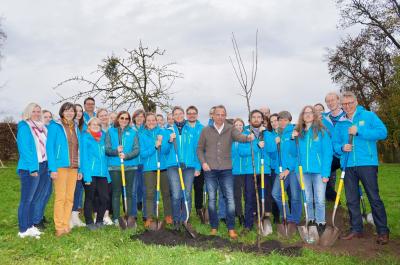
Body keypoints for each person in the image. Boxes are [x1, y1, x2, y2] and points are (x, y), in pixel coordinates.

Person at [333, 91, 389, 244]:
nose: (347, 106)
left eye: (350, 103)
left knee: (374, 197)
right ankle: (356, 229)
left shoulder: (368, 116)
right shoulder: (340, 123)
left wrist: (359, 131)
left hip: (367, 163)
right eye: (344, 104)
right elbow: (335, 145)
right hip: (348, 164)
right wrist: (341, 148)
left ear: (356, 102)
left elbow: (383, 132)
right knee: (351, 199)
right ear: (341, 105)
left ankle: (382, 231)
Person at [196, 105, 254, 239]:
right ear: (213, 116)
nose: (220, 117)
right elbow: (199, 149)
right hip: (210, 169)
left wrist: (249, 137)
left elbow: (240, 137)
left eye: (223, 114)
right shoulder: (205, 130)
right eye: (218, 114)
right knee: (212, 199)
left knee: (230, 199)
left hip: (226, 170)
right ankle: (214, 226)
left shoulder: (230, 129)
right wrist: (203, 163)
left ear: (225, 116)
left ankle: (231, 227)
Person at [292, 106, 333, 235]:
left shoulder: (321, 131)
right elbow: (293, 153)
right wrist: (293, 139)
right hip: (302, 171)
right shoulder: (298, 132)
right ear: (302, 116)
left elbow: (327, 153)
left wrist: (326, 173)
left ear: (314, 115)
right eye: (305, 113)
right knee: (307, 198)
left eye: (310, 113)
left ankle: (321, 221)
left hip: (319, 171)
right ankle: (311, 220)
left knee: (320, 199)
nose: (308, 115)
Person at [47, 102, 82, 237]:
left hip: (73, 167)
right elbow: (50, 147)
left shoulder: (76, 128)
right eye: (66, 111)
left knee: (70, 198)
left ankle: (66, 224)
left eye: (72, 111)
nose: (69, 113)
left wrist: (79, 169)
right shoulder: (55, 126)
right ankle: (59, 226)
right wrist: (53, 168)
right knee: (60, 198)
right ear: (62, 112)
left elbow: (78, 149)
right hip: (60, 167)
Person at [238, 110, 276, 233]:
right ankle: (248, 225)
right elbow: (242, 152)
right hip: (250, 170)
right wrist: (256, 145)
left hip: (264, 170)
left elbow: (272, 149)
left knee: (264, 196)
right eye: (253, 117)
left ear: (262, 120)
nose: (256, 119)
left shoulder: (268, 133)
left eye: (258, 117)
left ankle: (263, 219)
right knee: (249, 198)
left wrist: (264, 134)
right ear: (249, 120)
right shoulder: (245, 134)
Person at [16, 103, 48, 238]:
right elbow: (25, 149)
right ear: (29, 112)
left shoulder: (42, 127)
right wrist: (32, 167)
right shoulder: (24, 126)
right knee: (26, 199)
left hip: (43, 165)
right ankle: (23, 229)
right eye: (34, 111)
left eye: (38, 111)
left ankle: (30, 225)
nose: (36, 113)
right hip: (30, 167)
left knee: (35, 198)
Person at [165, 106, 200, 229]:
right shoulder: (168, 130)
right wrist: (169, 141)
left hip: (189, 166)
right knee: (176, 194)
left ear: (183, 114)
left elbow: (197, 149)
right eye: (176, 114)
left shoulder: (191, 130)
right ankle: (176, 220)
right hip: (173, 166)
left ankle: (185, 218)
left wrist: (198, 167)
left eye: (181, 113)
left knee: (188, 193)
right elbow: (163, 151)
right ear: (173, 116)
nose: (179, 115)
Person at [105, 111, 140, 227]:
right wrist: (116, 151)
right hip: (115, 166)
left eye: (126, 118)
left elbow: (136, 149)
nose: (124, 120)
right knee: (116, 192)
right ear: (118, 119)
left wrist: (126, 156)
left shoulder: (133, 132)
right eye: (122, 118)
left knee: (129, 192)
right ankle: (116, 218)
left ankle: (129, 217)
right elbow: (107, 149)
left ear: (129, 120)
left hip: (130, 166)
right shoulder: (111, 131)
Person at [139, 112, 172, 228]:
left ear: (156, 121)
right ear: (146, 122)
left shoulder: (163, 132)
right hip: (149, 168)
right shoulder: (142, 135)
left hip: (162, 167)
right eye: (149, 120)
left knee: (166, 192)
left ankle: (168, 215)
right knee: (149, 193)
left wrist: (164, 143)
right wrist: (154, 146)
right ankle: (149, 216)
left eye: (153, 120)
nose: (151, 122)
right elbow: (142, 154)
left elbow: (167, 151)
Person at [271, 111, 302, 232]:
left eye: (285, 120)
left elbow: (296, 155)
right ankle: (288, 217)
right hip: (281, 170)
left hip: (292, 170)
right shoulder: (278, 134)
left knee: (295, 196)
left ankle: (295, 220)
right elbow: (275, 155)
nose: (282, 122)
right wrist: (275, 145)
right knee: (275, 193)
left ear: (289, 120)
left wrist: (288, 169)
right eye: (280, 120)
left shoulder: (294, 132)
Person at [81, 117, 111, 230]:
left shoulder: (103, 137)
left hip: (102, 173)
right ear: (89, 126)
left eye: (98, 124)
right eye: (93, 124)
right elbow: (84, 157)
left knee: (104, 198)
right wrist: (86, 175)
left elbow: (105, 158)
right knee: (90, 197)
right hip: (91, 173)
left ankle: (99, 220)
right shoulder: (85, 138)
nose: (95, 126)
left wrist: (107, 174)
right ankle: (89, 222)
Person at [323, 92, 346, 201]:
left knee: (350, 181)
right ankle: (332, 198)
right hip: (332, 155)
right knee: (321, 172)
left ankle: (357, 204)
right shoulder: (324, 119)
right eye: (328, 101)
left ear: (338, 100)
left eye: (333, 100)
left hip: (346, 154)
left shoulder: (347, 115)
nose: (330, 103)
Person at [186, 106, 206, 222]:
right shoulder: (183, 129)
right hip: (187, 165)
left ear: (197, 115)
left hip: (199, 163)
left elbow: (203, 149)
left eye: (194, 113)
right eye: (189, 113)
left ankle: (199, 210)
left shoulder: (203, 129)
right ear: (186, 115)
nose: (192, 115)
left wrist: (198, 167)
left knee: (198, 188)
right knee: (186, 190)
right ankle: (185, 211)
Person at [69, 104, 86, 228]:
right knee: (70, 191)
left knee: (78, 191)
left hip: (81, 164)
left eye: (81, 111)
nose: (79, 113)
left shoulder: (83, 128)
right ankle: (68, 216)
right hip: (71, 164)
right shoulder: (70, 127)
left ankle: (75, 217)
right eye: (77, 111)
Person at [96, 108, 113, 225]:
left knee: (109, 191)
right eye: (101, 115)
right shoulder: (96, 131)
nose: (103, 117)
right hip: (100, 165)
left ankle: (106, 214)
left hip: (111, 164)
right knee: (98, 192)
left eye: (105, 115)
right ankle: (97, 215)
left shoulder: (112, 130)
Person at [132, 109, 146, 219]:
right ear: (134, 118)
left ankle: (141, 202)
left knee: (143, 185)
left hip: (144, 162)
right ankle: (135, 204)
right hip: (134, 162)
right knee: (134, 185)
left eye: (141, 116)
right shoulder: (131, 130)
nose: (139, 118)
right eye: (138, 116)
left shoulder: (146, 130)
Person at [231, 118, 246, 226]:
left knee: (247, 194)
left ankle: (250, 213)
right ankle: (240, 215)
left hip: (246, 171)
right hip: (234, 171)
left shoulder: (247, 137)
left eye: (241, 125)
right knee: (237, 195)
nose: (239, 127)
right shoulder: (230, 139)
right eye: (237, 125)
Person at [269, 113, 281, 223]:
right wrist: (275, 145)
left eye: (275, 120)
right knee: (274, 193)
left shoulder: (286, 133)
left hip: (287, 168)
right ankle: (276, 217)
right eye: (271, 122)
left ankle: (290, 217)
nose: (274, 123)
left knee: (290, 192)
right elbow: (271, 154)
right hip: (274, 168)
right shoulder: (270, 135)